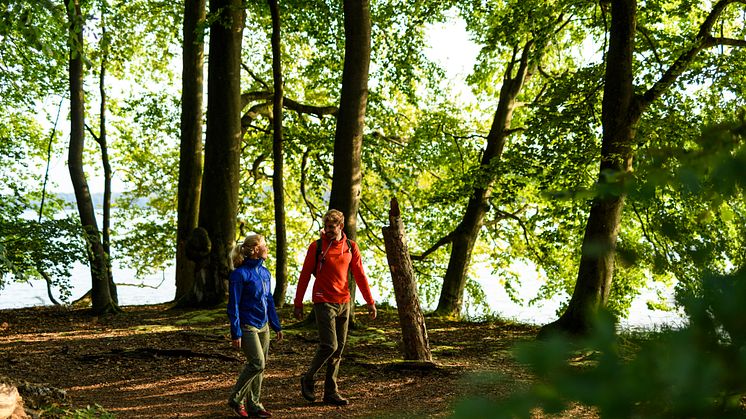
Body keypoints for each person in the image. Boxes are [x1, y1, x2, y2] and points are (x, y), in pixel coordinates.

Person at [294, 209, 377, 406]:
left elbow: (360, 276)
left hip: (344, 302)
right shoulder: (316, 247)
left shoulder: (351, 247)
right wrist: (298, 303)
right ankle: (308, 377)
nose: (328, 230)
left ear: (340, 226)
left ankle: (331, 392)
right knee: (329, 345)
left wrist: (370, 302)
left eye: (332, 227)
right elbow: (304, 275)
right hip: (323, 301)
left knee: (339, 349)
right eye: (326, 227)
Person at [227, 234, 283, 418]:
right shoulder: (239, 274)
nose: (267, 248)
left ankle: (255, 405)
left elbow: (268, 300)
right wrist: (236, 332)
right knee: (257, 363)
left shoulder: (265, 273)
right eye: (264, 245)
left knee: (262, 365)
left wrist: (276, 325)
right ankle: (236, 400)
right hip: (247, 325)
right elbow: (233, 305)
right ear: (256, 250)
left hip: (263, 325)